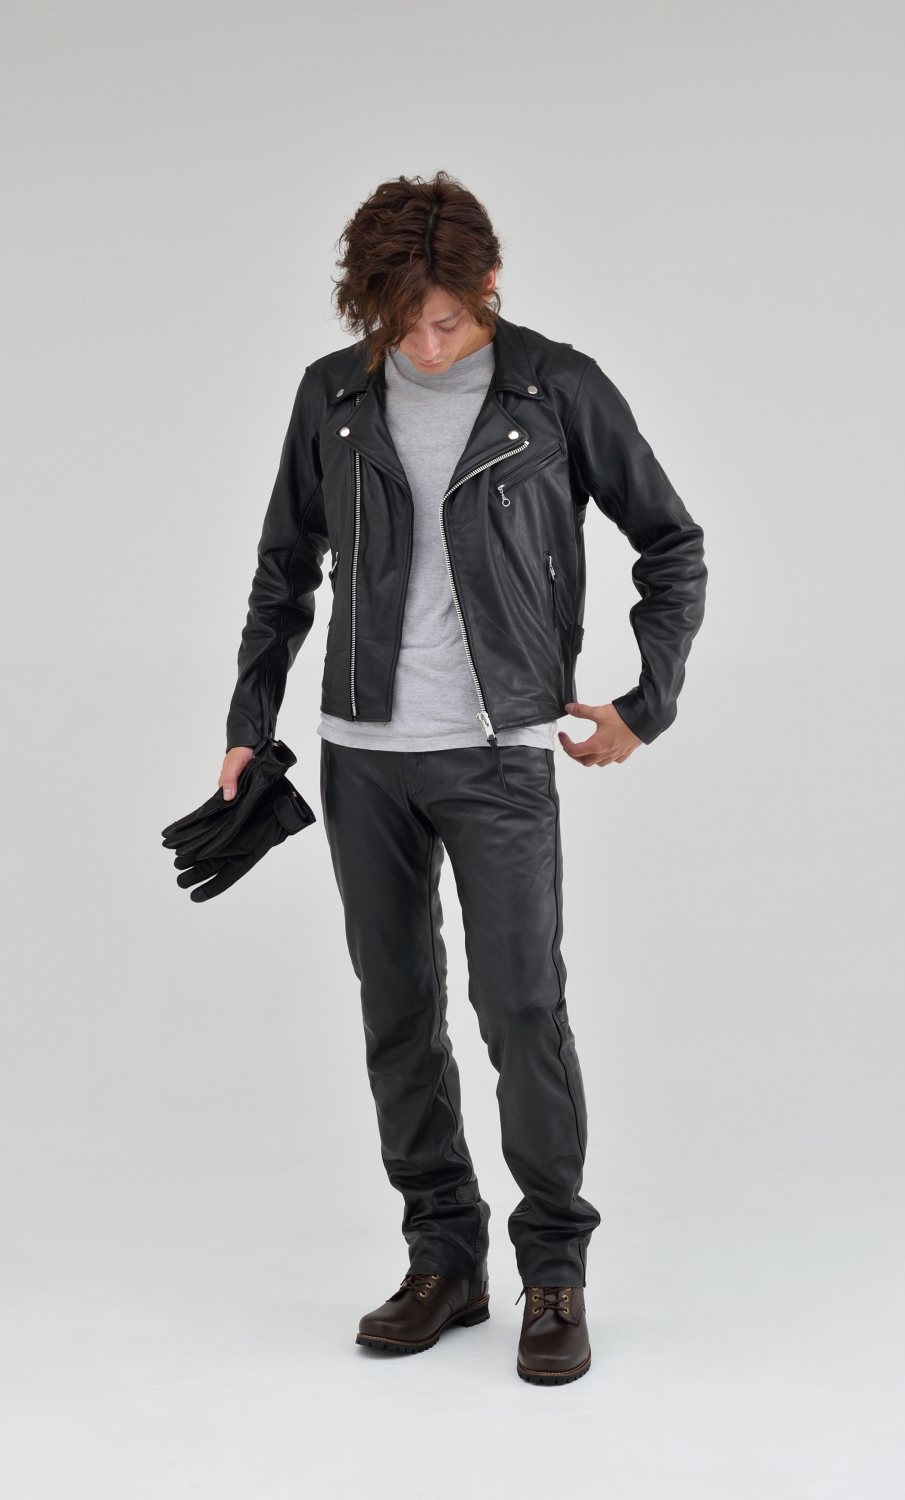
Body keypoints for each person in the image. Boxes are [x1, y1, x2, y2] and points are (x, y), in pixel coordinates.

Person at [218, 173, 706, 1385]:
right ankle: (443, 1259)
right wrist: (248, 723)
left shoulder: (557, 389)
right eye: (401, 326)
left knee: (522, 1010)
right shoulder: (332, 395)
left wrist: (644, 705)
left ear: (489, 286)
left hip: (499, 756)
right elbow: (283, 570)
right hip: (363, 756)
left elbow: (671, 543)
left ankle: (554, 1271)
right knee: (397, 1016)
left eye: (446, 321)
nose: (425, 348)